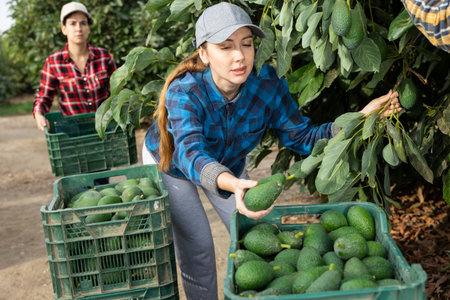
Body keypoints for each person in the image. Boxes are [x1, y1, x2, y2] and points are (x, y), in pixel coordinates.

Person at [142, 2, 401, 299]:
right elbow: (191, 155)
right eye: (226, 47)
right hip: (171, 165)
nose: (240, 56)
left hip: (230, 164)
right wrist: (232, 183)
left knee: (257, 232)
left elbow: (303, 136)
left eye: (247, 44)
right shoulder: (185, 91)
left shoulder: (267, 84)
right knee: (198, 244)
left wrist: (359, 120)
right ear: (204, 53)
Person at [33, 1, 117, 131]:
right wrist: (38, 114)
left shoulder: (104, 57)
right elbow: (44, 97)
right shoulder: (54, 62)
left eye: (83, 23)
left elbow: (118, 91)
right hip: (71, 131)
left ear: (89, 28)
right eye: (72, 23)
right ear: (64, 29)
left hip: (103, 127)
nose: (78, 28)